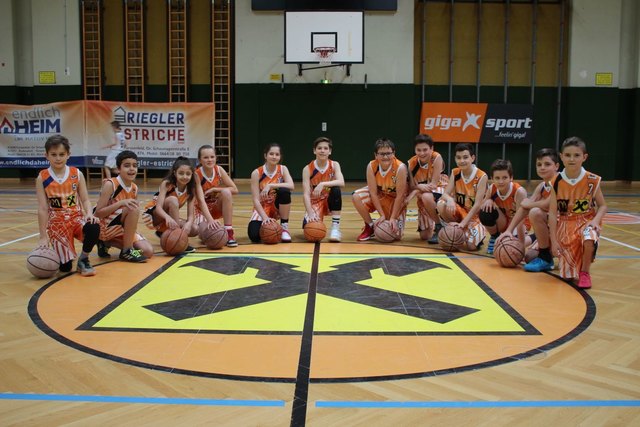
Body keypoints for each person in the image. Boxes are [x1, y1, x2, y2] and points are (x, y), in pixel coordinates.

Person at [36, 134, 100, 276]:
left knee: (94, 226)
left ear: (68, 155)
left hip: (76, 218)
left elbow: (85, 200)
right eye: (53, 154)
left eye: (61, 154)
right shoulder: (42, 177)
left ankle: (84, 259)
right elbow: (42, 208)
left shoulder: (77, 174)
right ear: (46, 155)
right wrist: (42, 236)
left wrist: (89, 214)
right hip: (57, 224)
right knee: (65, 268)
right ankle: (62, 255)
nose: (58, 158)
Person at [548, 137, 607, 289]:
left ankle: (585, 272)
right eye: (567, 155)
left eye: (576, 155)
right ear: (561, 157)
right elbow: (553, 213)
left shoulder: (592, 180)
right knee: (567, 276)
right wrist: (553, 241)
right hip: (565, 223)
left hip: (586, 220)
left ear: (584, 157)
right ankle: (573, 265)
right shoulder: (555, 181)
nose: (572, 159)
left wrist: (595, 221)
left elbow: (602, 206)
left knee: (589, 237)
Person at [498, 148, 560, 272]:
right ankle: (546, 257)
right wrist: (509, 231)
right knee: (529, 257)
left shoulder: (560, 181)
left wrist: (531, 204)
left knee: (535, 212)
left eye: (547, 164)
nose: (542, 167)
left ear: (556, 166)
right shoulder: (542, 186)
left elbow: (548, 204)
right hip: (552, 229)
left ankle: (573, 252)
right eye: (539, 164)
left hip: (565, 230)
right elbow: (524, 207)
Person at [93, 150, 153, 263]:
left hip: (120, 228)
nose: (131, 169)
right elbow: (97, 213)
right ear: (118, 169)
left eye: (134, 166)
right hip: (105, 227)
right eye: (127, 165)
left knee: (147, 251)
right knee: (133, 208)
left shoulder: (134, 188)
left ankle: (108, 243)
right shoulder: (110, 184)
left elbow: (130, 217)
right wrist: (120, 203)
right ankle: (126, 251)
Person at [142, 156, 206, 253]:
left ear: (192, 174)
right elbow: (159, 208)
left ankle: (163, 232)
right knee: (173, 200)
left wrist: (188, 224)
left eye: (188, 174)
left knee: (195, 229)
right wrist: (167, 218)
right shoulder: (167, 183)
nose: (185, 176)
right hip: (154, 216)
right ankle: (179, 240)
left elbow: (191, 215)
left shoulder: (191, 189)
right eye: (181, 173)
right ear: (174, 173)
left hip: (169, 217)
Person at [352, 138, 408, 241]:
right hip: (380, 195)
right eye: (382, 154)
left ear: (394, 153)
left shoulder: (400, 168)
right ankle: (370, 226)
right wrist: (381, 215)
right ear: (376, 155)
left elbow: (400, 196)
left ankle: (390, 219)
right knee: (356, 196)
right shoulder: (371, 166)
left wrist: (393, 218)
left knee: (395, 235)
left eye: (388, 153)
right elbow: (373, 193)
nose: (385, 157)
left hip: (395, 200)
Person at [436, 143, 488, 251]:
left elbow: (478, 205)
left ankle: (469, 232)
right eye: (458, 158)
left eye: (465, 157)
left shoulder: (481, 176)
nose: (462, 161)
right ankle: (455, 230)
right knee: (441, 204)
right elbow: (445, 194)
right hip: (461, 212)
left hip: (475, 217)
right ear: (455, 159)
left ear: (472, 158)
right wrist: (450, 199)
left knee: (471, 247)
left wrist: (463, 224)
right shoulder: (455, 173)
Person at [479, 159, 530, 255]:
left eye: (504, 177)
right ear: (492, 178)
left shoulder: (519, 192)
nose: (501, 181)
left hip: (519, 224)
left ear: (511, 178)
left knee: (511, 248)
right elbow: (482, 205)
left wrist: (510, 233)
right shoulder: (492, 188)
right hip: (504, 221)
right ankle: (494, 236)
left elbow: (521, 218)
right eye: (497, 178)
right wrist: (488, 200)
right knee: (485, 210)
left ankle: (533, 238)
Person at [405, 134, 448, 244]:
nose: (422, 153)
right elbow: (412, 186)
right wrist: (418, 187)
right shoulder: (411, 163)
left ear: (431, 148)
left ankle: (439, 225)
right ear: (414, 150)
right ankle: (436, 222)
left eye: (425, 149)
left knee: (426, 196)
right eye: (418, 150)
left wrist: (416, 189)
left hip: (442, 190)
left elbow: (433, 185)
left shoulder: (436, 158)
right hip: (424, 196)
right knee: (425, 236)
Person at [248, 143, 295, 243]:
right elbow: (255, 199)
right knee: (254, 236)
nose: (274, 157)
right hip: (262, 207)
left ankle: (284, 227)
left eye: (277, 154)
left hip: (277, 206)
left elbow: (291, 186)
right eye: (271, 154)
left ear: (280, 156)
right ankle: (269, 226)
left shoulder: (283, 169)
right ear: (265, 155)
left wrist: (271, 185)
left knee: (284, 191)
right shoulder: (256, 173)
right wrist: (265, 218)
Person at [302, 137, 345, 242]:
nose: (322, 150)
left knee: (336, 189)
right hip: (315, 201)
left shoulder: (334, 165)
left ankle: (335, 228)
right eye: (319, 148)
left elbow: (341, 182)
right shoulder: (307, 169)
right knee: (309, 230)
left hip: (330, 200)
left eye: (325, 148)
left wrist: (322, 184)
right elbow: (306, 194)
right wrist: (310, 213)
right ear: (314, 150)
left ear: (329, 151)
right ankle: (313, 216)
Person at [194, 145, 239, 247]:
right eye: (205, 157)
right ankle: (212, 225)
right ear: (200, 160)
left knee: (226, 192)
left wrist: (215, 189)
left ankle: (229, 231)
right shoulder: (196, 175)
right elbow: (201, 201)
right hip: (201, 211)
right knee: (205, 235)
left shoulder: (219, 170)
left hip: (215, 206)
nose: (209, 160)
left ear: (216, 158)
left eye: (212, 157)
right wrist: (210, 220)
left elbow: (235, 189)